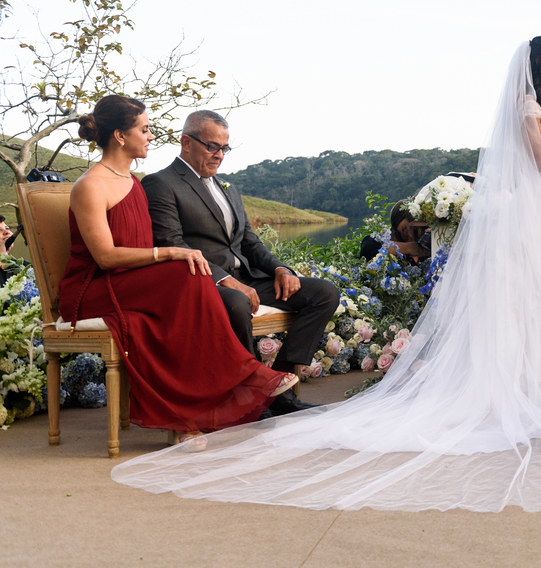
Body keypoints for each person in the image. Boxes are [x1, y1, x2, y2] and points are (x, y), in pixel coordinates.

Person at [111, 38, 541, 512]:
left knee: (538, 306)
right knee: (524, 303)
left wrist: (276, 264)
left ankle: (281, 381)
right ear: (539, 67)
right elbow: (537, 163)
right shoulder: (528, 108)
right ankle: (260, 389)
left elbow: (247, 237)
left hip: (536, 217)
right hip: (525, 214)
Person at [57, 96, 297, 445]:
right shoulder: (91, 185)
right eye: (145, 129)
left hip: (129, 283)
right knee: (187, 273)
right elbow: (106, 258)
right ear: (121, 136)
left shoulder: (133, 182)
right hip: (93, 289)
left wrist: (177, 256)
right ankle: (243, 376)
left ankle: (194, 414)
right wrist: (169, 252)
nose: (151, 136)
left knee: (192, 276)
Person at [142, 111, 339, 416]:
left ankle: (278, 388)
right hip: (203, 280)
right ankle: (249, 398)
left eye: (224, 148)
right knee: (236, 302)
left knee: (324, 293)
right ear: (186, 142)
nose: (220, 155)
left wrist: (280, 269)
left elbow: (249, 241)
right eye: (212, 146)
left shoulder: (228, 188)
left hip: (248, 277)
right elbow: (172, 243)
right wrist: (224, 279)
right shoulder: (160, 183)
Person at [359, 203, 430, 264]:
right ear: (395, 230)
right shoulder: (391, 243)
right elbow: (368, 247)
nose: (410, 235)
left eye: (415, 229)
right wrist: (409, 248)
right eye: (404, 229)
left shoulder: (428, 243)